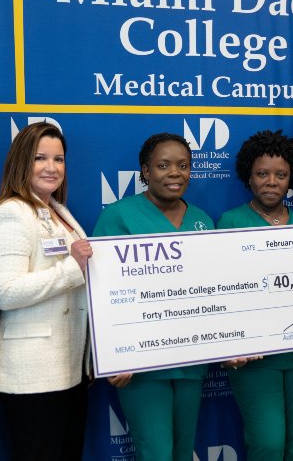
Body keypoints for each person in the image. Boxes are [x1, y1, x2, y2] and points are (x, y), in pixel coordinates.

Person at [92, 132, 214, 461]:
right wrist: (115, 354)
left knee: (181, 450)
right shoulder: (118, 216)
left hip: (191, 359)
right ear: (145, 171)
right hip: (140, 364)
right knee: (156, 453)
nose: (175, 173)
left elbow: (216, 289)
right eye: (163, 165)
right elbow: (102, 291)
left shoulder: (203, 220)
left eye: (183, 165)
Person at [0, 122, 92, 460]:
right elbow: (5, 291)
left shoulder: (59, 211)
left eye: (59, 159)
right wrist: (71, 270)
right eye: (40, 158)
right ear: (21, 162)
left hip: (69, 367)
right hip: (32, 375)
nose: (52, 167)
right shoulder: (12, 212)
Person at [217, 130, 293, 461]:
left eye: (281, 175)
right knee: (268, 443)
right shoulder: (230, 223)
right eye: (262, 173)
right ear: (249, 175)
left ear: (291, 180)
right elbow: (221, 292)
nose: (271, 181)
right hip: (254, 359)